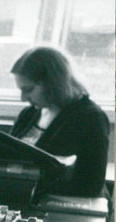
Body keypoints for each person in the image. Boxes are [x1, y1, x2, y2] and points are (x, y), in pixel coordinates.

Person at [10, 46, 110, 197]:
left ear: (53, 83)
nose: (23, 98)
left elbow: (91, 184)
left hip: (71, 205)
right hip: (26, 198)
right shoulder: (29, 114)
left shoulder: (90, 118)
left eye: (28, 89)